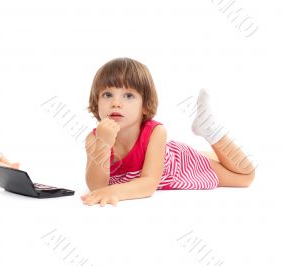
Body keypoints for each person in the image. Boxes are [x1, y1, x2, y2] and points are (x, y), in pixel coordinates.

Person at [81, 58, 256, 206]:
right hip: (154, 160)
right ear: (97, 103)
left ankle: (210, 129)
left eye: (128, 96)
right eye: (107, 95)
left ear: (145, 106)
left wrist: (117, 192)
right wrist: (103, 144)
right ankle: (209, 148)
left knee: (246, 176)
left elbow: (149, 184)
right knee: (217, 159)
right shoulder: (94, 139)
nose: (116, 103)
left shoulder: (156, 132)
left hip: (180, 165)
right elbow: (97, 186)